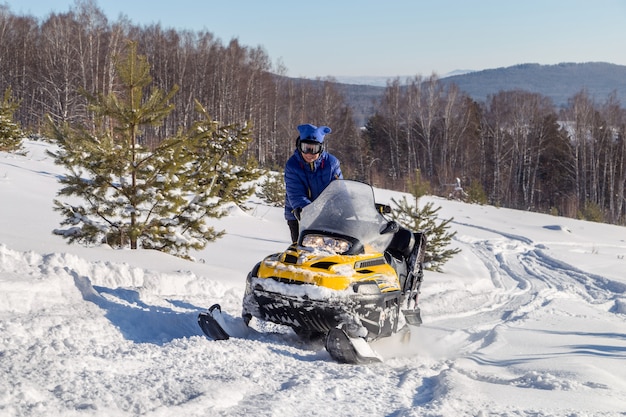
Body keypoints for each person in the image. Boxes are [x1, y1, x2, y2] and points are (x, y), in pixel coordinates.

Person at [284, 123, 343, 243]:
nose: (309, 154)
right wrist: (309, 212)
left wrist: (344, 208)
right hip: (299, 214)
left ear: (321, 148)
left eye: (314, 149)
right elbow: (296, 194)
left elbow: (339, 190)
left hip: (326, 215)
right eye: (306, 148)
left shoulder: (331, 163)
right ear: (299, 146)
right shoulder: (292, 165)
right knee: (304, 252)